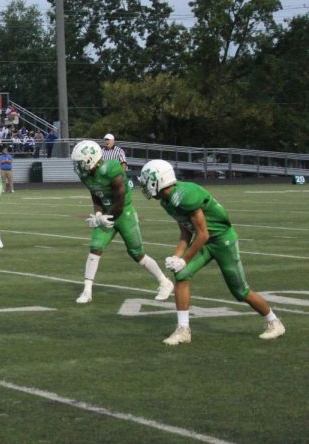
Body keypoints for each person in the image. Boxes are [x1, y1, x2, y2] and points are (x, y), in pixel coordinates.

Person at [139, 160, 285, 345]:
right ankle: (183, 330)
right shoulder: (167, 202)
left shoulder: (186, 195)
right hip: (207, 242)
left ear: (158, 180)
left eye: (146, 180)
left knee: (240, 291)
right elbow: (186, 231)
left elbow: (202, 234)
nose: (143, 184)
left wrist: (185, 259)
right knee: (181, 275)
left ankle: (274, 321)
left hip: (223, 240)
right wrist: (177, 256)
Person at [70, 140, 174, 305]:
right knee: (95, 247)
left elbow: (120, 200)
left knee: (137, 254)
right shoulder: (86, 174)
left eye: (80, 162)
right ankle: (87, 290)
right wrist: (98, 214)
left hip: (124, 212)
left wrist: (106, 217)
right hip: (106, 212)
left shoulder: (111, 170)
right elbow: (96, 195)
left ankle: (164, 282)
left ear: (91, 159)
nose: (78, 166)